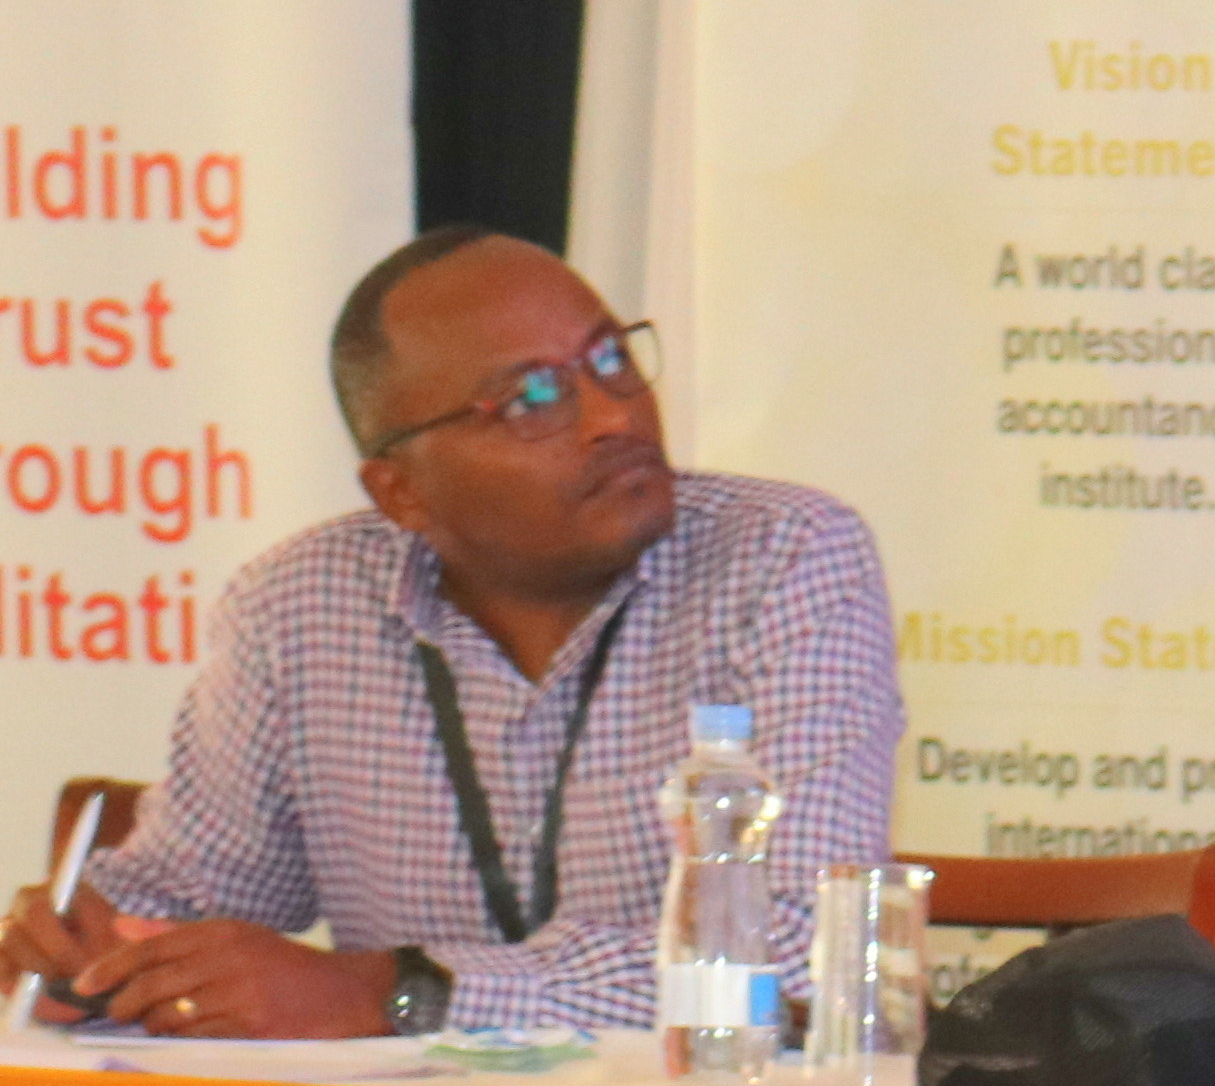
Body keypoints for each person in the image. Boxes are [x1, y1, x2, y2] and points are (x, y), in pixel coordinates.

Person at [2, 227, 899, 1036]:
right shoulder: (299, 607)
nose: (614, 416)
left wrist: (401, 993)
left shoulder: (784, 559)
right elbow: (195, 894)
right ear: (400, 491)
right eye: (533, 398)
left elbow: (800, 957)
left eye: (611, 360)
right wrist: (90, 951)